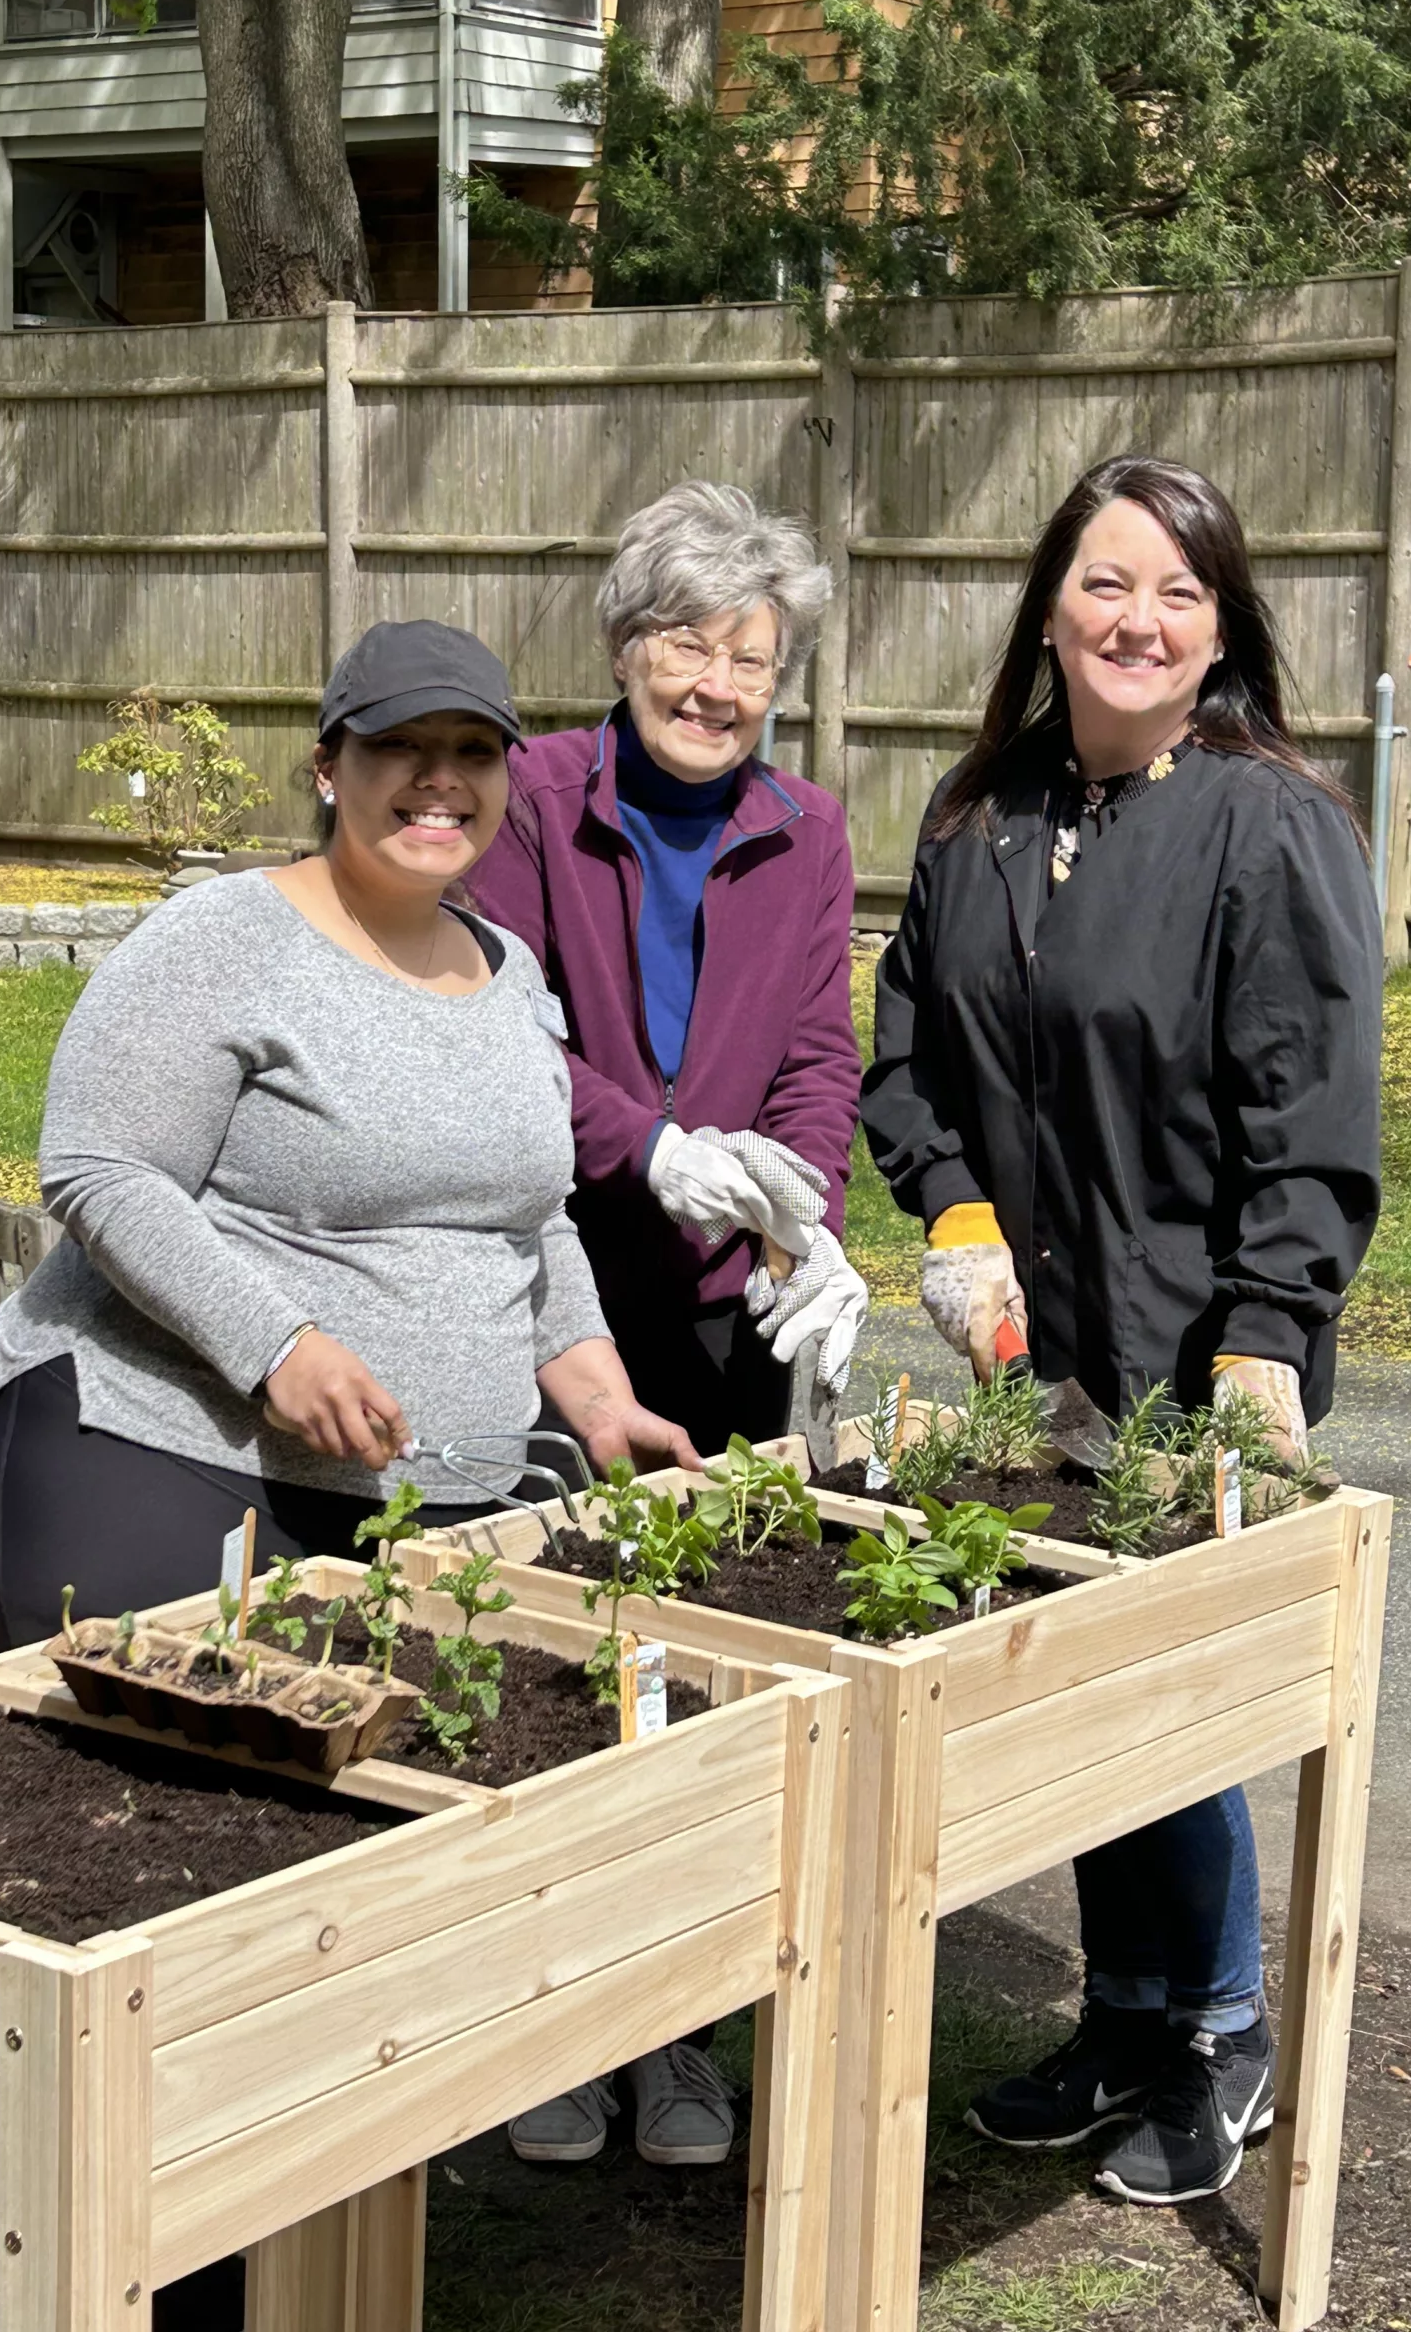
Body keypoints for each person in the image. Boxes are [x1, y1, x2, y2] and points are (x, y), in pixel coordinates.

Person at [0, 619, 699, 2324]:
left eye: (472, 755)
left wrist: (591, 1390)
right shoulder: (225, 939)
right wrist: (277, 1344)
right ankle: (143, 2275)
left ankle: (274, 2257)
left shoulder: (511, 972)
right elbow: (98, 1169)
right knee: (169, 1876)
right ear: (330, 765)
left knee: (328, 1895)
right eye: (398, 750)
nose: (437, 785)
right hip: (149, 1447)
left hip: (389, 1499)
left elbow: (531, 1222)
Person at [862, 455, 1381, 2206]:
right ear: (1051, 605)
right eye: (1106, 583)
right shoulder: (982, 818)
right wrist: (950, 1210)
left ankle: (1221, 2023)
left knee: (1173, 1702)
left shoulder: (1266, 823)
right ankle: (1128, 2010)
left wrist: (1266, 1331)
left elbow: (1312, 1119)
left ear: (1219, 625)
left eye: (1177, 592)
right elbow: (909, 1060)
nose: (1137, 620)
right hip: (1044, 1363)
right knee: (1072, 1687)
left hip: (1205, 1355)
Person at [469, 481, 866, 2171]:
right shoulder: (537, 803)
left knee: (708, 1672)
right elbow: (482, 1027)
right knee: (544, 1665)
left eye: (749, 661)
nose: (716, 687)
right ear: (626, 646)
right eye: (688, 647)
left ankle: (685, 2035)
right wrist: (651, 1146)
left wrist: (806, 1218)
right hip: (550, 1295)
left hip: (722, 1325)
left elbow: (820, 1056)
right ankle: (547, 2032)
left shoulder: (811, 826)